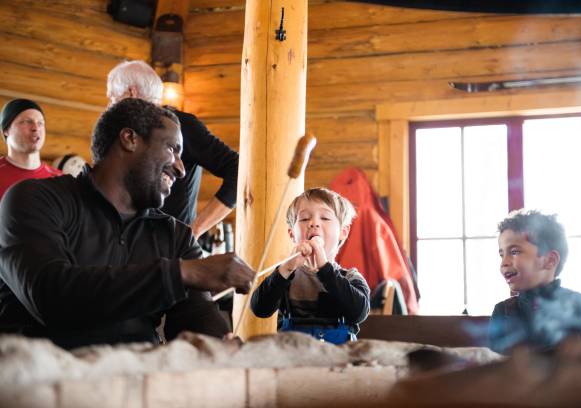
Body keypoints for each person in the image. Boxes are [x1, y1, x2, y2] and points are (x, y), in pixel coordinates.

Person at [0, 98, 255, 349]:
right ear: (129, 139)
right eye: (172, 149)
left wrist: (221, 345)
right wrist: (183, 273)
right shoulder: (34, 199)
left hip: (137, 383)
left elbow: (197, 316)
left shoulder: (174, 235)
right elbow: (50, 296)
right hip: (41, 381)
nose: (181, 169)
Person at [106, 60, 238, 239]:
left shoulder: (183, 126)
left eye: (113, 98)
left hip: (174, 256)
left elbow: (238, 170)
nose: (109, 106)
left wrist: (195, 230)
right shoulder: (126, 136)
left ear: (131, 93)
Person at [250, 187, 370, 344]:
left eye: (325, 218)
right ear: (292, 234)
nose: (314, 223)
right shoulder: (286, 275)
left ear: (343, 232)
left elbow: (359, 313)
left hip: (338, 359)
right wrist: (285, 269)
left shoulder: (350, 277)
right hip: (293, 359)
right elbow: (260, 309)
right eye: (305, 219)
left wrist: (325, 269)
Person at [489, 209, 581, 354]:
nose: (504, 263)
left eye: (514, 252)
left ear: (550, 260)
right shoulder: (503, 311)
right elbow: (495, 366)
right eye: (502, 255)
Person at [0, 98, 62, 199]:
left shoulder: (60, 180)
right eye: (26, 122)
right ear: (6, 130)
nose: (35, 128)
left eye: (40, 123)